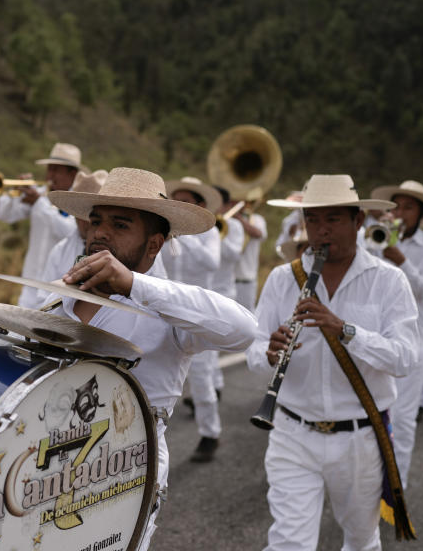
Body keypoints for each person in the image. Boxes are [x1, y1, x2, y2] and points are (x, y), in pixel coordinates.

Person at [45, 167, 259, 551]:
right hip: (53, 467)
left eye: (120, 225)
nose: (100, 233)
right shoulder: (63, 295)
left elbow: (243, 329)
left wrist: (133, 284)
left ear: (155, 245)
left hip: (127, 471)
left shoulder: (170, 307)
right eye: (96, 222)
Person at [247, 174, 420, 551]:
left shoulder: (389, 281)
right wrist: (269, 353)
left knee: (360, 541)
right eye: (313, 220)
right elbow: (254, 351)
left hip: (359, 438)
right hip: (292, 432)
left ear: (358, 222)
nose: (321, 231)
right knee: (289, 543)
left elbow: (406, 358)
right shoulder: (282, 279)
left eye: (333, 220)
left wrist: (345, 330)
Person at [367, 180, 423, 486]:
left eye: (409, 207)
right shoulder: (373, 238)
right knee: (370, 416)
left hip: (413, 342)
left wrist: (400, 258)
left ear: (421, 213)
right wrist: (378, 245)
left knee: (402, 421)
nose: (401, 212)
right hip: (375, 337)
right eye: (396, 205)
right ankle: (369, 484)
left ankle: (395, 490)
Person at [161, 177, 225, 462]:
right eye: (178, 202)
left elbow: (212, 263)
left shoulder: (209, 233)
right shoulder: (164, 232)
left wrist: (187, 236)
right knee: (157, 378)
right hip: (165, 312)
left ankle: (210, 434)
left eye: (187, 202)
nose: (181, 207)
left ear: (199, 206)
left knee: (201, 379)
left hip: (199, 315)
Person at [0, 142, 79, 308]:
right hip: (31, 281)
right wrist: (14, 194)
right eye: (49, 168)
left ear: (72, 174)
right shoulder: (41, 193)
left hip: (58, 287)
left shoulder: (79, 201)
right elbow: (4, 215)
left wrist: (39, 202)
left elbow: (68, 230)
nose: (50, 175)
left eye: (56, 170)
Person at [233, 190, 268, 311]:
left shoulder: (258, 219)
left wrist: (239, 219)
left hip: (247, 280)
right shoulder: (228, 220)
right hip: (227, 281)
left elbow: (258, 234)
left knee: (248, 316)